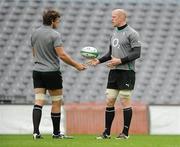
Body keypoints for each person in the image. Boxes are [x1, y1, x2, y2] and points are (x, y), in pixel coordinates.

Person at [31, 9, 86, 139]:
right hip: (51, 72)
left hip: (37, 71)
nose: (59, 23)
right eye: (58, 21)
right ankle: (56, 133)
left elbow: (34, 54)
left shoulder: (34, 33)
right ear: (52, 21)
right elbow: (62, 55)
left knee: (39, 101)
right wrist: (77, 65)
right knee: (56, 101)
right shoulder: (54, 34)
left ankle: (36, 132)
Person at [90, 9, 141, 139]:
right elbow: (110, 54)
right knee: (109, 100)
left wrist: (120, 61)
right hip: (114, 72)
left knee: (124, 100)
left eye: (114, 17)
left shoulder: (132, 33)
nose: (111, 19)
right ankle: (106, 133)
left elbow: (137, 53)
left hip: (127, 72)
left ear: (122, 18)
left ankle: (125, 133)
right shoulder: (113, 34)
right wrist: (99, 60)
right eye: (111, 17)